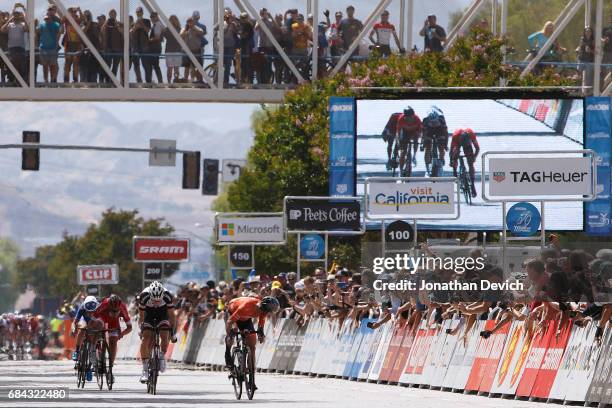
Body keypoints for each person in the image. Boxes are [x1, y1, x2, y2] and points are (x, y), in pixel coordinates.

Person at [224, 295, 280, 387]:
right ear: (262, 307)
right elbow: (230, 321)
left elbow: (261, 324)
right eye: (266, 311)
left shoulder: (264, 309)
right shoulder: (245, 307)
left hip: (245, 318)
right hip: (232, 311)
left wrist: (261, 334)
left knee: (252, 347)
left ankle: (252, 379)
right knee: (233, 332)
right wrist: (230, 334)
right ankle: (227, 353)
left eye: (267, 312)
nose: (266, 313)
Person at [138, 281, 177, 383]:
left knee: (165, 333)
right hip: (148, 314)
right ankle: (145, 370)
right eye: (154, 300)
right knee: (146, 337)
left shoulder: (168, 296)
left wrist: (172, 332)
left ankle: (161, 356)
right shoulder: (144, 296)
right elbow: (141, 315)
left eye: (158, 300)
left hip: (162, 313)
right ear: (150, 295)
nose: (156, 302)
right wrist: (141, 329)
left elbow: (172, 315)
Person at [92, 294, 132, 377]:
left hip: (114, 323)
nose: (114, 313)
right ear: (108, 307)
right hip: (101, 319)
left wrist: (121, 334)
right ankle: (95, 356)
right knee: (97, 330)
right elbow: (92, 318)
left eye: (116, 311)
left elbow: (129, 327)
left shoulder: (122, 307)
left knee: (113, 342)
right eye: (112, 311)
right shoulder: (104, 304)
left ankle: (110, 367)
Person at [70, 296, 104, 382]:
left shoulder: (100, 309)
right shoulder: (82, 308)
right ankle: (77, 351)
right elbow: (75, 322)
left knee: (98, 326)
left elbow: (103, 323)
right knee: (82, 328)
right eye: (88, 311)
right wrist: (73, 329)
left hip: (95, 324)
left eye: (92, 311)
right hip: (84, 322)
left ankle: (89, 366)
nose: (90, 313)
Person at [0, 4, 29, 82]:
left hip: (21, 47)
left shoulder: (22, 24)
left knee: (22, 64)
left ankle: (22, 80)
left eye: (17, 15)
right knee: (11, 64)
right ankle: (12, 79)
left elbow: (27, 29)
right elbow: (2, 29)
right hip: (12, 48)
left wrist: (24, 19)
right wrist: (10, 20)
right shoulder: (10, 25)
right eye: (15, 15)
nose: (16, 17)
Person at [450, 128, 480, 198]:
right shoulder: (455, 136)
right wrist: (452, 163)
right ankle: (455, 170)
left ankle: (472, 184)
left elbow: (477, 148)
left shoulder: (471, 134)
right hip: (457, 143)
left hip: (467, 145)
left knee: (470, 162)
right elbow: (451, 151)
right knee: (455, 153)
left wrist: (474, 157)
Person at [395, 106, 423, 177]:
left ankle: (414, 155)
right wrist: (398, 142)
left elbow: (421, 132)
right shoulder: (401, 119)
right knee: (403, 152)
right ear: (404, 117)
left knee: (416, 137)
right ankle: (401, 170)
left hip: (414, 132)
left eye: (411, 117)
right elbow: (398, 132)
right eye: (407, 118)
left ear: (413, 116)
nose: (409, 119)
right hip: (404, 133)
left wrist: (420, 140)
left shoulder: (417, 119)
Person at [421, 106, 449, 175]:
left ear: (438, 119)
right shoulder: (425, 120)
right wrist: (423, 143)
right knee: (427, 148)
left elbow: (445, 133)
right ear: (429, 120)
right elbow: (423, 134)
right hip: (429, 130)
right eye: (432, 122)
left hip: (439, 130)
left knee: (441, 147)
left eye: (435, 122)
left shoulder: (442, 119)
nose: (433, 123)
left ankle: (441, 164)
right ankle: (427, 167)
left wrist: (445, 144)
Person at [37, 8, 62, 83]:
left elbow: (60, 33)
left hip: (52, 48)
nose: (46, 19)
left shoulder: (56, 25)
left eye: (48, 18)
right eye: (45, 18)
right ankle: (46, 80)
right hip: (43, 48)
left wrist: (57, 44)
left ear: (51, 18)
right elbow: (36, 33)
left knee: (53, 65)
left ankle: (52, 80)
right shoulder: (41, 25)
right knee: (45, 65)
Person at [101, 9, 123, 83]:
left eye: (114, 14)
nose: (112, 15)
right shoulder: (107, 23)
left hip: (117, 48)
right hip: (108, 48)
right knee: (108, 65)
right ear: (109, 15)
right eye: (111, 14)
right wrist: (106, 22)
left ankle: (112, 80)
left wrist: (116, 25)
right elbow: (102, 30)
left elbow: (123, 32)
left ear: (116, 15)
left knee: (115, 66)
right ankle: (107, 80)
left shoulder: (119, 23)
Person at [180, 17, 204, 83]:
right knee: (186, 67)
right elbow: (180, 35)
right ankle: (185, 80)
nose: (189, 23)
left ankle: (196, 80)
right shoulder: (184, 29)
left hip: (196, 50)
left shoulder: (196, 28)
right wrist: (186, 31)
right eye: (188, 22)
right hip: (186, 51)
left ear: (193, 22)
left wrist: (194, 28)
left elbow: (201, 32)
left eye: (191, 21)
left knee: (197, 67)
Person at [130, 6, 150, 83]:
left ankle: (148, 81)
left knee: (145, 65)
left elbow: (147, 30)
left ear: (142, 12)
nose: (138, 13)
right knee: (136, 65)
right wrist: (135, 27)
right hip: (135, 47)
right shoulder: (133, 23)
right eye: (137, 12)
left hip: (144, 46)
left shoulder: (147, 21)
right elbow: (130, 34)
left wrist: (141, 24)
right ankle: (139, 80)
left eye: (140, 12)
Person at [62, 7, 82, 83]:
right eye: (72, 12)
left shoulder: (77, 20)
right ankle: (66, 79)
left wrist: (79, 11)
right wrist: (68, 12)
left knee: (75, 61)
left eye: (74, 12)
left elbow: (83, 19)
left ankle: (75, 79)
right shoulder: (67, 20)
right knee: (68, 61)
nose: (73, 13)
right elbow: (62, 20)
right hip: (68, 43)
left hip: (77, 44)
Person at [291, 14, 311, 81]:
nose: (300, 20)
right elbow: (293, 35)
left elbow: (309, 35)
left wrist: (304, 32)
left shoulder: (306, 26)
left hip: (304, 48)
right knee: (294, 65)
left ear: (303, 19)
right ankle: (295, 80)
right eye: (299, 19)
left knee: (305, 65)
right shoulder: (294, 26)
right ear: (297, 20)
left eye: (301, 19)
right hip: (295, 48)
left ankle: (305, 79)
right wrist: (298, 33)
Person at [145, 11, 164, 83]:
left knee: (155, 65)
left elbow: (157, 37)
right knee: (155, 65)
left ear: (156, 16)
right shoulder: (156, 25)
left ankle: (160, 81)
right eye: (151, 17)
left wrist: (148, 40)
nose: (152, 18)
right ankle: (159, 81)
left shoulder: (157, 24)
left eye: (153, 16)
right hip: (155, 47)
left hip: (155, 48)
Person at [163, 15, 182, 83]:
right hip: (169, 51)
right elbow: (163, 35)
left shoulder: (179, 29)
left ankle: (176, 81)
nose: (173, 21)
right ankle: (169, 82)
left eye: (174, 19)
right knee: (170, 68)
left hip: (177, 51)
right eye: (171, 19)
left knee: (176, 69)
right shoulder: (167, 29)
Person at [576, 27, 595, 91]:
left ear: (591, 33)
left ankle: (587, 91)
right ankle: (577, 90)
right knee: (578, 75)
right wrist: (577, 49)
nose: (588, 33)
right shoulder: (582, 39)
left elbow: (597, 52)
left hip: (589, 60)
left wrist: (590, 51)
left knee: (588, 77)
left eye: (589, 31)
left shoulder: (593, 40)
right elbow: (579, 46)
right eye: (586, 31)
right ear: (584, 32)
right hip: (581, 59)